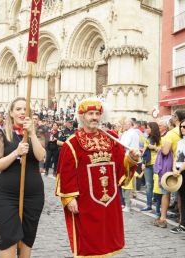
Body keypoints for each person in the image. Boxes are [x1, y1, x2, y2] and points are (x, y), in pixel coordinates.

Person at [56, 97, 139, 257]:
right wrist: (70, 197)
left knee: (108, 240)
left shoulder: (111, 138)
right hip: (86, 201)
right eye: (90, 113)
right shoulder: (72, 143)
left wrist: (132, 159)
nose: (94, 117)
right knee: (88, 242)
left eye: (97, 113)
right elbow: (66, 172)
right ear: (82, 116)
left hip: (109, 202)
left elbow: (121, 167)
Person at [0, 97, 45, 258]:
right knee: (9, 238)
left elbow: (41, 156)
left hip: (33, 195)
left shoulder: (39, 133)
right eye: (19, 109)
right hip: (6, 195)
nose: (22, 112)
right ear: (11, 113)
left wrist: (33, 134)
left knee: (27, 240)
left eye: (26, 109)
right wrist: (16, 152)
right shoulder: (1, 134)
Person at [153, 109, 185, 228]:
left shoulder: (171, 133)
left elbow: (166, 151)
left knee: (166, 192)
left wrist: (161, 148)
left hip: (171, 166)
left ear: (176, 118)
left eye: (173, 116)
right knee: (181, 194)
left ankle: (163, 218)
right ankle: (182, 220)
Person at [140, 122, 162, 212]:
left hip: (157, 164)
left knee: (157, 185)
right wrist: (143, 163)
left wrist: (153, 147)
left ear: (153, 129)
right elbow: (144, 152)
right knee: (148, 185)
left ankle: (158, 207)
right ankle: (148, 205)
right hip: (148, 164)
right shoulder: (147, 138)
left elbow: (163, 150)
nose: (146, 129)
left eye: (148, 128)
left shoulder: (160, 139)